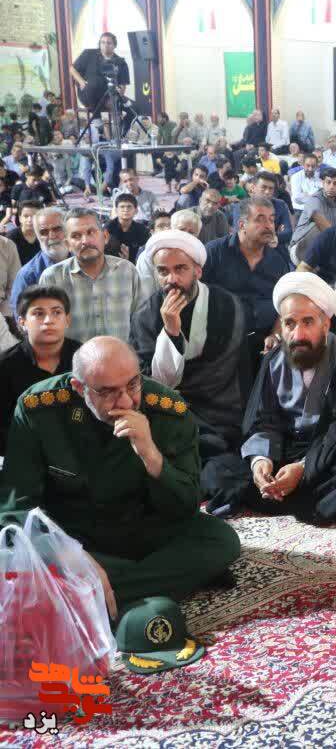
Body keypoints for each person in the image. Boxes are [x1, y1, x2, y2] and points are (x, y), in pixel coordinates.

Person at [1, 336, 241, 615]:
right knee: (15, 554)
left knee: (220, 540)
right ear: (79, 388)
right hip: (74, 536)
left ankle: (85, 593)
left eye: (133, 384)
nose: (126, 400)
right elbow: (15, 510)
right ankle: (162, 581)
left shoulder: (168, 411)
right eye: (108, 392)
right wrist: (69, 555)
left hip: (143, 529)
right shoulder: (39, 409)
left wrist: (151, 456)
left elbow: (185, 506)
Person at [203, 273, 336, 523]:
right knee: (218, 468)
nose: (298, 334)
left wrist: (303, 467)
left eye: (308, 322)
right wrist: (261, 461)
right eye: (290, 323)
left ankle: (284, 500)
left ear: (325, 324)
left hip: (331, 453)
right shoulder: (273, 360)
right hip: (285, 450)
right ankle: (306, 499)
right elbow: (262, 420)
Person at [131, 230, 246, 471]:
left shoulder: (227, 305)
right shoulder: (146, 314)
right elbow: (144, 378)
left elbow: (220, 370)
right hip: (164, 411)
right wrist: (171, 332)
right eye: (163, 271)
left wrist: (179, 395)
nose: (172, 279)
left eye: (180, 268)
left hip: (217, 412)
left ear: (198, 271)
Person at [202, 197, 293, 358]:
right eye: (260, 219)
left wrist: (275, 335)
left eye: (271, 220)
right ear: (242, 224)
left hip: (265, 342)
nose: (269, 226)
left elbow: (284, 304)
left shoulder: (277, 260)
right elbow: (196, 295)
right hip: (220, 342)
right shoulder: (214, 252)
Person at [39, 208, 146, 343]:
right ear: (67, 244)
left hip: (121, 354)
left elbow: (141, 323)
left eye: (91, 232)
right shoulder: (52, 278)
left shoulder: (127, 271)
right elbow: (46, 328)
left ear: (105, 237)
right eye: (76, 236)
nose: (85, 241)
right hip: (73, 356)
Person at [0, 285, 79, 453]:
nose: (48, 320)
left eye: (56, 312)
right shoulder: (5, 365)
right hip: (22, 453)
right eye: (38, 313)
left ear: (67, 320)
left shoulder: (85, 360)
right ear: (22, 322)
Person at [9, 207, 69, 315]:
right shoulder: (28, 275)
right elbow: (20, 316)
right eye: (44, 232)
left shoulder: (83, 262)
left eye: (57, 229)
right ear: (37, 236)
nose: (51, 236)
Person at [69, 32, 131, 124]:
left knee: (134, 108)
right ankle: (97, 118)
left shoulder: (120, 62)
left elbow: (122, 85)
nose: (105, 45)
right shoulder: (88, 54)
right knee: (94, 83)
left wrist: (115, 98)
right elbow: (72, 69)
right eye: (103, 42)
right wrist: (81, 81)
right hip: (89, 93)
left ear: (114, 45)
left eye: (109, 43)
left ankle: (123, 130)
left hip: (110, 95)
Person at [290, 167, 336, 263]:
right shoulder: (314, 199)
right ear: (323, 183)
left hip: (326, 247)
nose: (331, 186)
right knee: (318, 227)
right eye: (328, 182)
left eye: (335, 184)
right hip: (299, 248)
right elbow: (319, 221)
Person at [105, 193, 151, 264]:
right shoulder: (108, 228)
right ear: (116, 210)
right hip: (111, 263)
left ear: (136, 211)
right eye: (122, 207)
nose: (126, 209)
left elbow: (146, 252)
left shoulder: (142, 230)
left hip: (134, 264)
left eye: (129, 207)